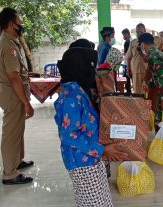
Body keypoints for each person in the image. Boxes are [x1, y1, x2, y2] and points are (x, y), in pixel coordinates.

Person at [54, 47, 127, 206]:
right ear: (81, 69)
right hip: (82, 161)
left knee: (99, 201)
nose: (93, 73)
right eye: (91, 68)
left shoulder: (78, 91)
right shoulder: (70, 98)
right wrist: (102, 150)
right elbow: (69, 135)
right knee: (95, 203)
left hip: (91, 157)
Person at [0, 7, 34, 185]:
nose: (21, 24)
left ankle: (16, 162)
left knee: (17, 131)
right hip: (12, 94)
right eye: (19, 21)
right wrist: (27, 103)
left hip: (14, 93)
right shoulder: (8, 45)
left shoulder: (12, 41)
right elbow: (14, 77)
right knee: (10, 133)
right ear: (11, 24)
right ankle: (9, 173)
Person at [126, 23, 148, 94]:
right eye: (137, 32)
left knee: (146, 92)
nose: (139, 34)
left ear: (145, 31)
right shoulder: (133, 43)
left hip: (147, 71)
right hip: (135, 72)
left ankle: (145, 105)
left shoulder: (149, 43)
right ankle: (138, 105)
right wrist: (128, 69)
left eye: (141, 32)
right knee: (137, 92)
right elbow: (128, 57)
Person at [122, 28, 131, 93]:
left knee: (127, 78)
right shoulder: (131, 41)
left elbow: (127, 54)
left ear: (127, 34)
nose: (123, 37)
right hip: (131, 62)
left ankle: (128, 92)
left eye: (124, 35)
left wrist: (122, 53)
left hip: (127, 62)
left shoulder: (127, 42)